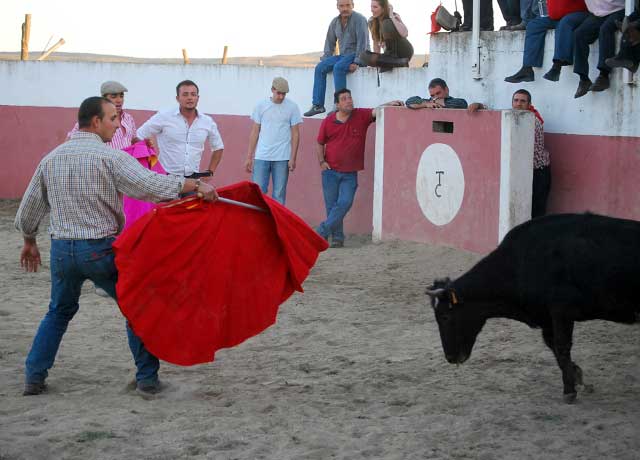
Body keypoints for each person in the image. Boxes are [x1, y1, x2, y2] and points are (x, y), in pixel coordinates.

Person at [15, 96, 218, 397]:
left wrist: (30, 241)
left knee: (58, 311)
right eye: (112, 118)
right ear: (95, 122)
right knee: (136, 308)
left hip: (61, 250)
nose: (117, 124)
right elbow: (151, 185)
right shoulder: (110, 158)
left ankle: (34, 376)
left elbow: (29, 209)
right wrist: (195, 186)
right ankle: (148, 379)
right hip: (99, 249)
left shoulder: (52, 158)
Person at [469, 90, 551, 218]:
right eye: (516, 100)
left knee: (535, 212)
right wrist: (480, 105)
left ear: (529, 104)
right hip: (524, 172)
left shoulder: (532, 121)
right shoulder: (515, 116)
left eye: (522, 101)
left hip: (538, 173)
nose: (518, 104)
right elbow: (498, 115)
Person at [137, 80, 224, 177]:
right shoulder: (164, 117)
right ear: (177, 98)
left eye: (193, 94)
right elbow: (139, 135)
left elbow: (218, 147)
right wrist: (151, 164)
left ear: (198, 98)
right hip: (166, 178)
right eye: (185, 94)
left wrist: (210, 172)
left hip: (193, 180)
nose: (190, 98)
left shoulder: (207, 121)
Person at [303, 0, 370, 117]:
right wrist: (326, 60)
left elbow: (362, 43)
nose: (345, 8)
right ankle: (318, 105)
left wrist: (357, 62)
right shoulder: (334, 22)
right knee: (320, 67)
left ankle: (339, 105)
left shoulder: (360, 19)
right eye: (342, 6)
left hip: (358, 54)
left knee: (338, 68)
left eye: (348, 5)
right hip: (343, 55)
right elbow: (329, 43)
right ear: (337, 7)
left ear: (353, 5)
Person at [244, 77, 303, 205]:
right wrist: (249, 157)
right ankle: (259, 223)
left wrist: (293, 158)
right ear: (272, 90)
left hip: (282, 157)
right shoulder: (261, 106)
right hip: (261, 156)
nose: (281, 96)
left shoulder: (292, 107)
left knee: (279, 194)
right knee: (258, 193)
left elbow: (295, 133)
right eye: (279, 93)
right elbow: (255, 131)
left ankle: (277, 223)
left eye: (284, 94)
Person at [504, 0, 588, 83]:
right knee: (534, 25)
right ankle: (527, 68)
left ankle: (557, 66)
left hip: (578, 14)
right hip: (555, 16)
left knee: (564, 24)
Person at [572, 0, 626, 98]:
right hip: (598, 14)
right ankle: (583, 79)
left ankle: (603, 76)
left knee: (605, 29)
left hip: (619, 9)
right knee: (579, 34)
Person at [67, 81, 139, 149]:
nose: (119, 100)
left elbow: (133, 139)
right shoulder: (93, 119)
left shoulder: (128, 118)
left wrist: (145, 143)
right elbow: (69, 141)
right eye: (114, 96)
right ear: (104, 99)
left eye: (121, 96)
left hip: (125, 161)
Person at [359, 0, 414, 71]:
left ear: (383, 8)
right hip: (388, 55)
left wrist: (392, 16)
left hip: (403, 51)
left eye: (375, 7)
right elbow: (376, 43)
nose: (372, 10)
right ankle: (396, 63)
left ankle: (391, 61)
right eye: (371, 7)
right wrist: (375, 60)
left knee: (386, 23)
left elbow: (405, 34)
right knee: (363, 56)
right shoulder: (371, 21)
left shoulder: (393, 16)